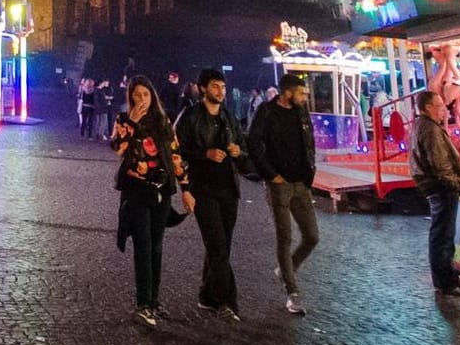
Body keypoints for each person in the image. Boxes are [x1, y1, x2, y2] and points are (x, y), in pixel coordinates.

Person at [112, 75, 193, 328]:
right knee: (143, 246)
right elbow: (119, 148)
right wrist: (132, 124)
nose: (142, 100)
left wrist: (186, 188)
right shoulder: (123, 121)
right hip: (137, 191)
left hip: (161, 190)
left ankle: (154, 301)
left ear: (152, 96)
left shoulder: (162, 120)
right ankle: (142, 304)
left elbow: (175, 154)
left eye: (146, 95)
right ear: (130, 97)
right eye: (137, 95)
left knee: (156, 246)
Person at [174, 68, 247, 321]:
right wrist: (204, 155)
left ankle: (207, 296)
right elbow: (177, 149)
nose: (221, 92)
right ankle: (227, 302)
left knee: (221, 246)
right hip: (202, 189)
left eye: (223, 87)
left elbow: (243, 148)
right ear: (203, 88)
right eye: (215, 86)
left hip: (229, 188)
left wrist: (238, 151)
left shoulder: (230, 118)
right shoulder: (191, 116)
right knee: (217, 245)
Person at [248, 72, 319, 315]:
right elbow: (254, 143)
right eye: (301, 93)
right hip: (279, 184)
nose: (305, 97)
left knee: (312, 236)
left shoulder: (301, 112)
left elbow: (310, 142)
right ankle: (292, 291)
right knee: (284, 237)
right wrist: (271, 174)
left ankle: (285, 268)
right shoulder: (266, 112)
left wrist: (311, 173)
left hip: (301, 183)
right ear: (287, 92)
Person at [409, 89, 460, 296]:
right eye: (440, 106)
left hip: (434, 184)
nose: (444, 111)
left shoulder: (423, 126)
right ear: (428, 108)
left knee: (441, 233)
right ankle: (446, 281)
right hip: (440, 186)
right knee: (443, 234)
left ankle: (445, 277)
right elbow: (440, 165)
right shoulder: (430, 130)